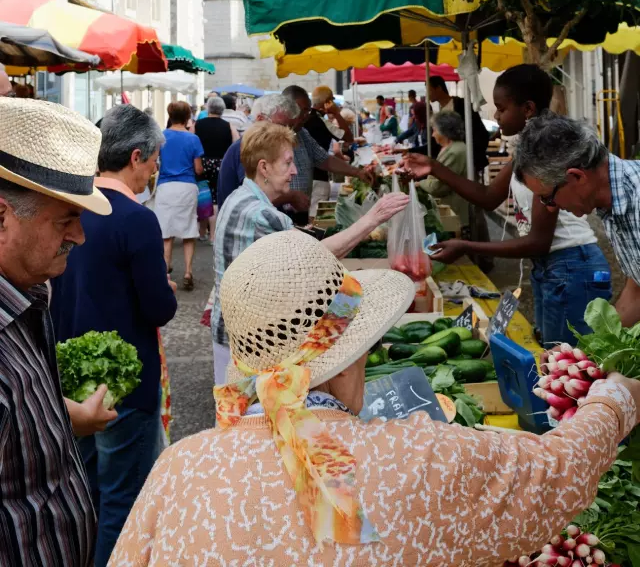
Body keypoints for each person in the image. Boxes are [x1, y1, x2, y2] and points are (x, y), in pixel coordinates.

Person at [110, 228, 640, 566]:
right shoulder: (418, 457)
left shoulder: (178, 467)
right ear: (358, 346)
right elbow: (557, 471)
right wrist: (615, 399)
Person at [402, 64, 612, 347]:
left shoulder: (548, 154)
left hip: (571, 266)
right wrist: (434, 167)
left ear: (527, 108)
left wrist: (467, 247)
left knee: (567, 360)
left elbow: (538, 241)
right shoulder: (528, 149)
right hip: (554, 268)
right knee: (551, 351)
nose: (495, 115)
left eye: (501, 108)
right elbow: (490, 197)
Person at [50, 104, 178, 567]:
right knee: (122, 502)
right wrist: (164, 286)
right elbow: (159, 309)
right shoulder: (136, 219)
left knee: (83, 494)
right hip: (127, 386)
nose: (154, 171)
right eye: (153, 161)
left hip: (67, 378)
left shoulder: (70, 207)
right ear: (136, 156)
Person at [0, 97, 118, 566]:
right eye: (66, 220)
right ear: (3, 218)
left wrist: (62, 418)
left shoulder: (28, 294)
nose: (80, 237)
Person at [208, 121, 408, 385]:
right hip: (249, 340)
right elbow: (314, 261)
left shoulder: (238, 197)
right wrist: (373, 218)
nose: (294, 171)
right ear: (264, 168)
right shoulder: (264, 215)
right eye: (288, 163)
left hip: (230, 329)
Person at [513, 111, 640, 328]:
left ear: (577, 177)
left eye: (547, 198)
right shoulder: (611, 203)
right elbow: (637, 289)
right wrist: (587, 351)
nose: (550, 208)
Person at [216, 92, 372, 222]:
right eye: (282, 126)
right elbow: (251, 200)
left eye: (290, 126)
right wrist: (289, 197)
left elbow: (324, 159)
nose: (288, 132)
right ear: (260, 119)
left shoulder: (289, 137)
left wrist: (357, 172)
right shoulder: (248, 148)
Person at [154, 101, 204, 290]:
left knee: (166, 233)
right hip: (187, 187)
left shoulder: (161, 137)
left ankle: (165, 271)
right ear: (187, 117)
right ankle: (188, 271)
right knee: (188, 230)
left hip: (166, 187)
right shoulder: (193, 139)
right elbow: (198, 169)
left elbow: (155, 163)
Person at [305, 85, 355, 221]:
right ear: (328, 102)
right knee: (318, 221)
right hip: (319, 177)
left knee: (304, 218)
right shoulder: (322, 121)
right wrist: (337, 113)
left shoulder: (303, 118)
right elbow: (349, 138)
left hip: (301, 177)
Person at [194, 96, 238, 242]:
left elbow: (192, 142)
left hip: (202, 163)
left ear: (208, 108)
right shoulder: (228, 125)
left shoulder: (198, 124)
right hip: (221, 164)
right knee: (215, 199)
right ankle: (214, 235)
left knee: (203, 197)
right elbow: (237, 142)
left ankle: (202, 232)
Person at [428, 75, 490, 171]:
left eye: (429, 90)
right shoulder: (440, 111)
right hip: (451, 163)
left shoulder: (462, 105)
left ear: (439, 88)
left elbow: (481, 133)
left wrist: (472, 158)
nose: (427, 94)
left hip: (467, 163)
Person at [418, 110, 469, 226]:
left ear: (444, 131)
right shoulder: (451, 148)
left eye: (435, 130)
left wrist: (420, 183)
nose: (432, 134)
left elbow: (438, 187)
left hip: (454, 213)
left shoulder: (454, 152)